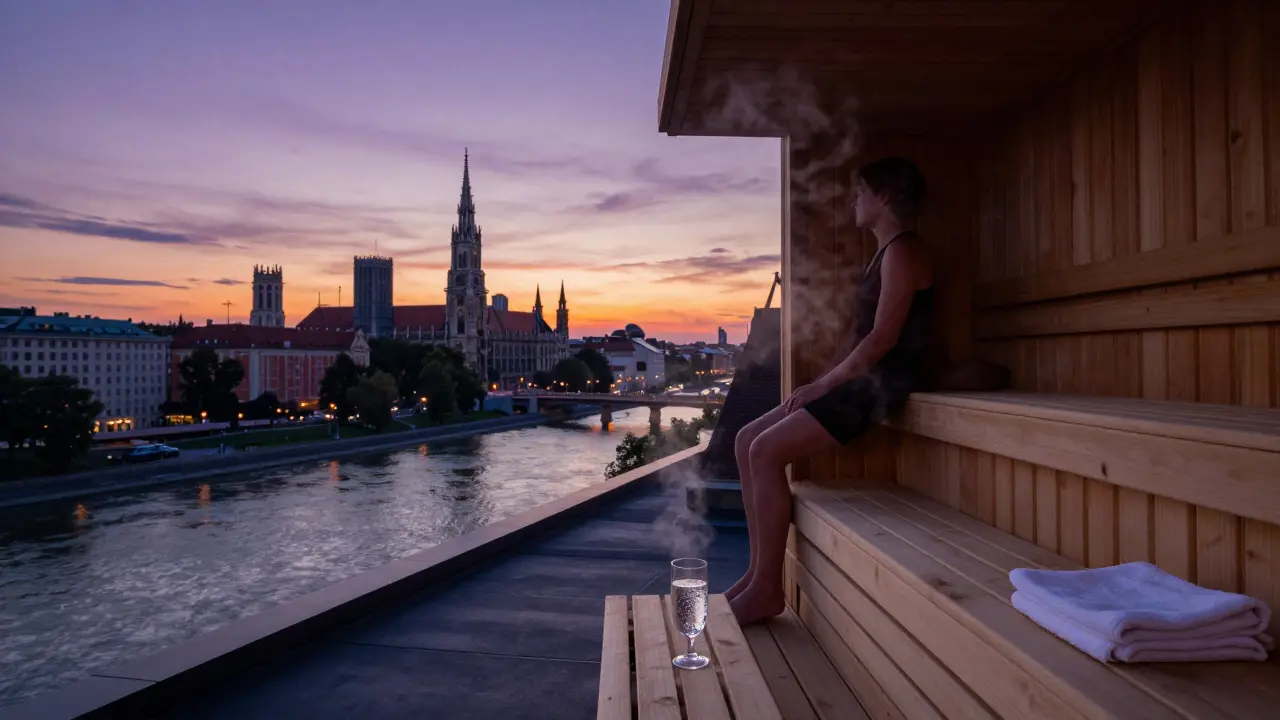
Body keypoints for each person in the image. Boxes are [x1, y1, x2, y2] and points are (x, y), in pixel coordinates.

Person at [726, 157, 934, 626]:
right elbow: (861, 334)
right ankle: (757, 574)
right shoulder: (883, 253)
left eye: (860, 192)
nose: (853, 200)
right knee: (745, 441)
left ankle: (766, 589)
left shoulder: (904, 250)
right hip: (861, 378)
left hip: (882, 383)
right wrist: (820, 381)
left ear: (884, 197)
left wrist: (827, 383)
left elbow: (883, 338)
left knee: (764, 451)